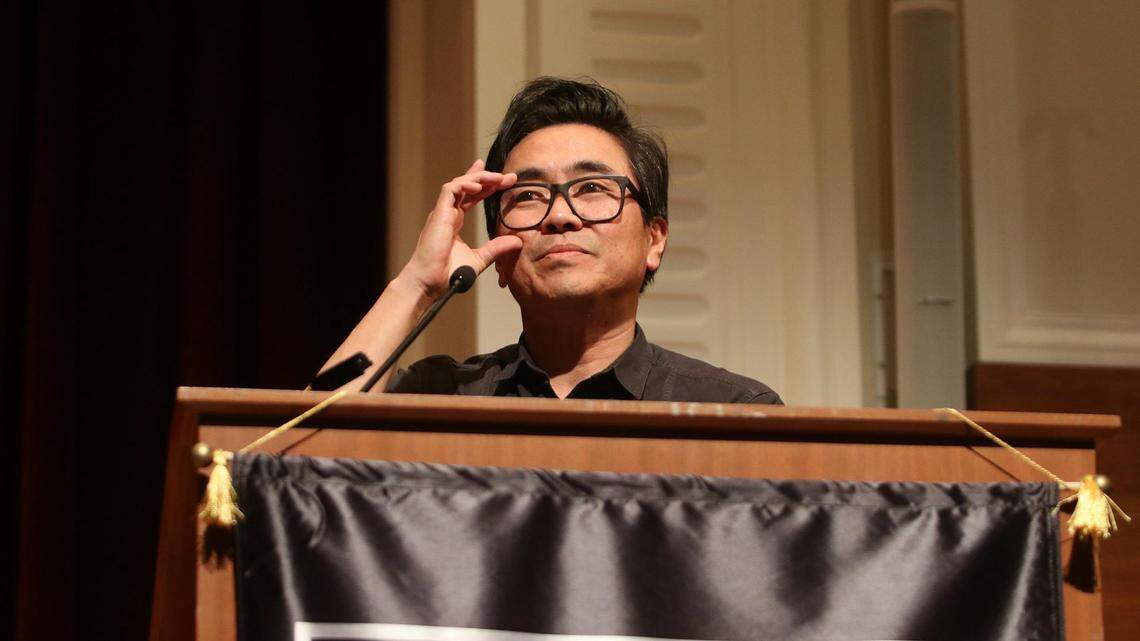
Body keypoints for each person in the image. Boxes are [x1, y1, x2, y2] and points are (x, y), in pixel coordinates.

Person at [323, 77, 781, 404]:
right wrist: (416, 284)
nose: (560, 216)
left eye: (593, 188)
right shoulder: (441, 394)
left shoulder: (732, 408)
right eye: (528, 195)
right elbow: (300, 451)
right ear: (498, 257)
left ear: (654, 240)